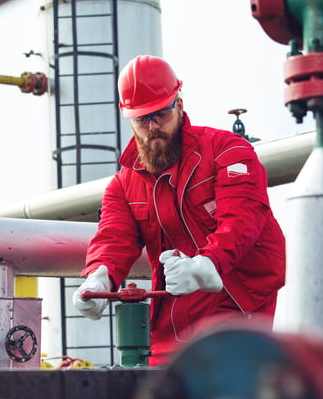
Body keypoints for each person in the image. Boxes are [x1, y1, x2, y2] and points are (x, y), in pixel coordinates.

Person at [72, 55, 286, 366]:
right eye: (142, 119)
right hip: (174, 306)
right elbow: (113, 238)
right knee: (160, 395)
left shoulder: (228, 150)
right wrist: (99, 277)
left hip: (236, 294)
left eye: (161, 114)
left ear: (180, 106)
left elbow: (243, 218)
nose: (152, 127)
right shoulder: (123, 184)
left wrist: (208, 264)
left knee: (219, 387)